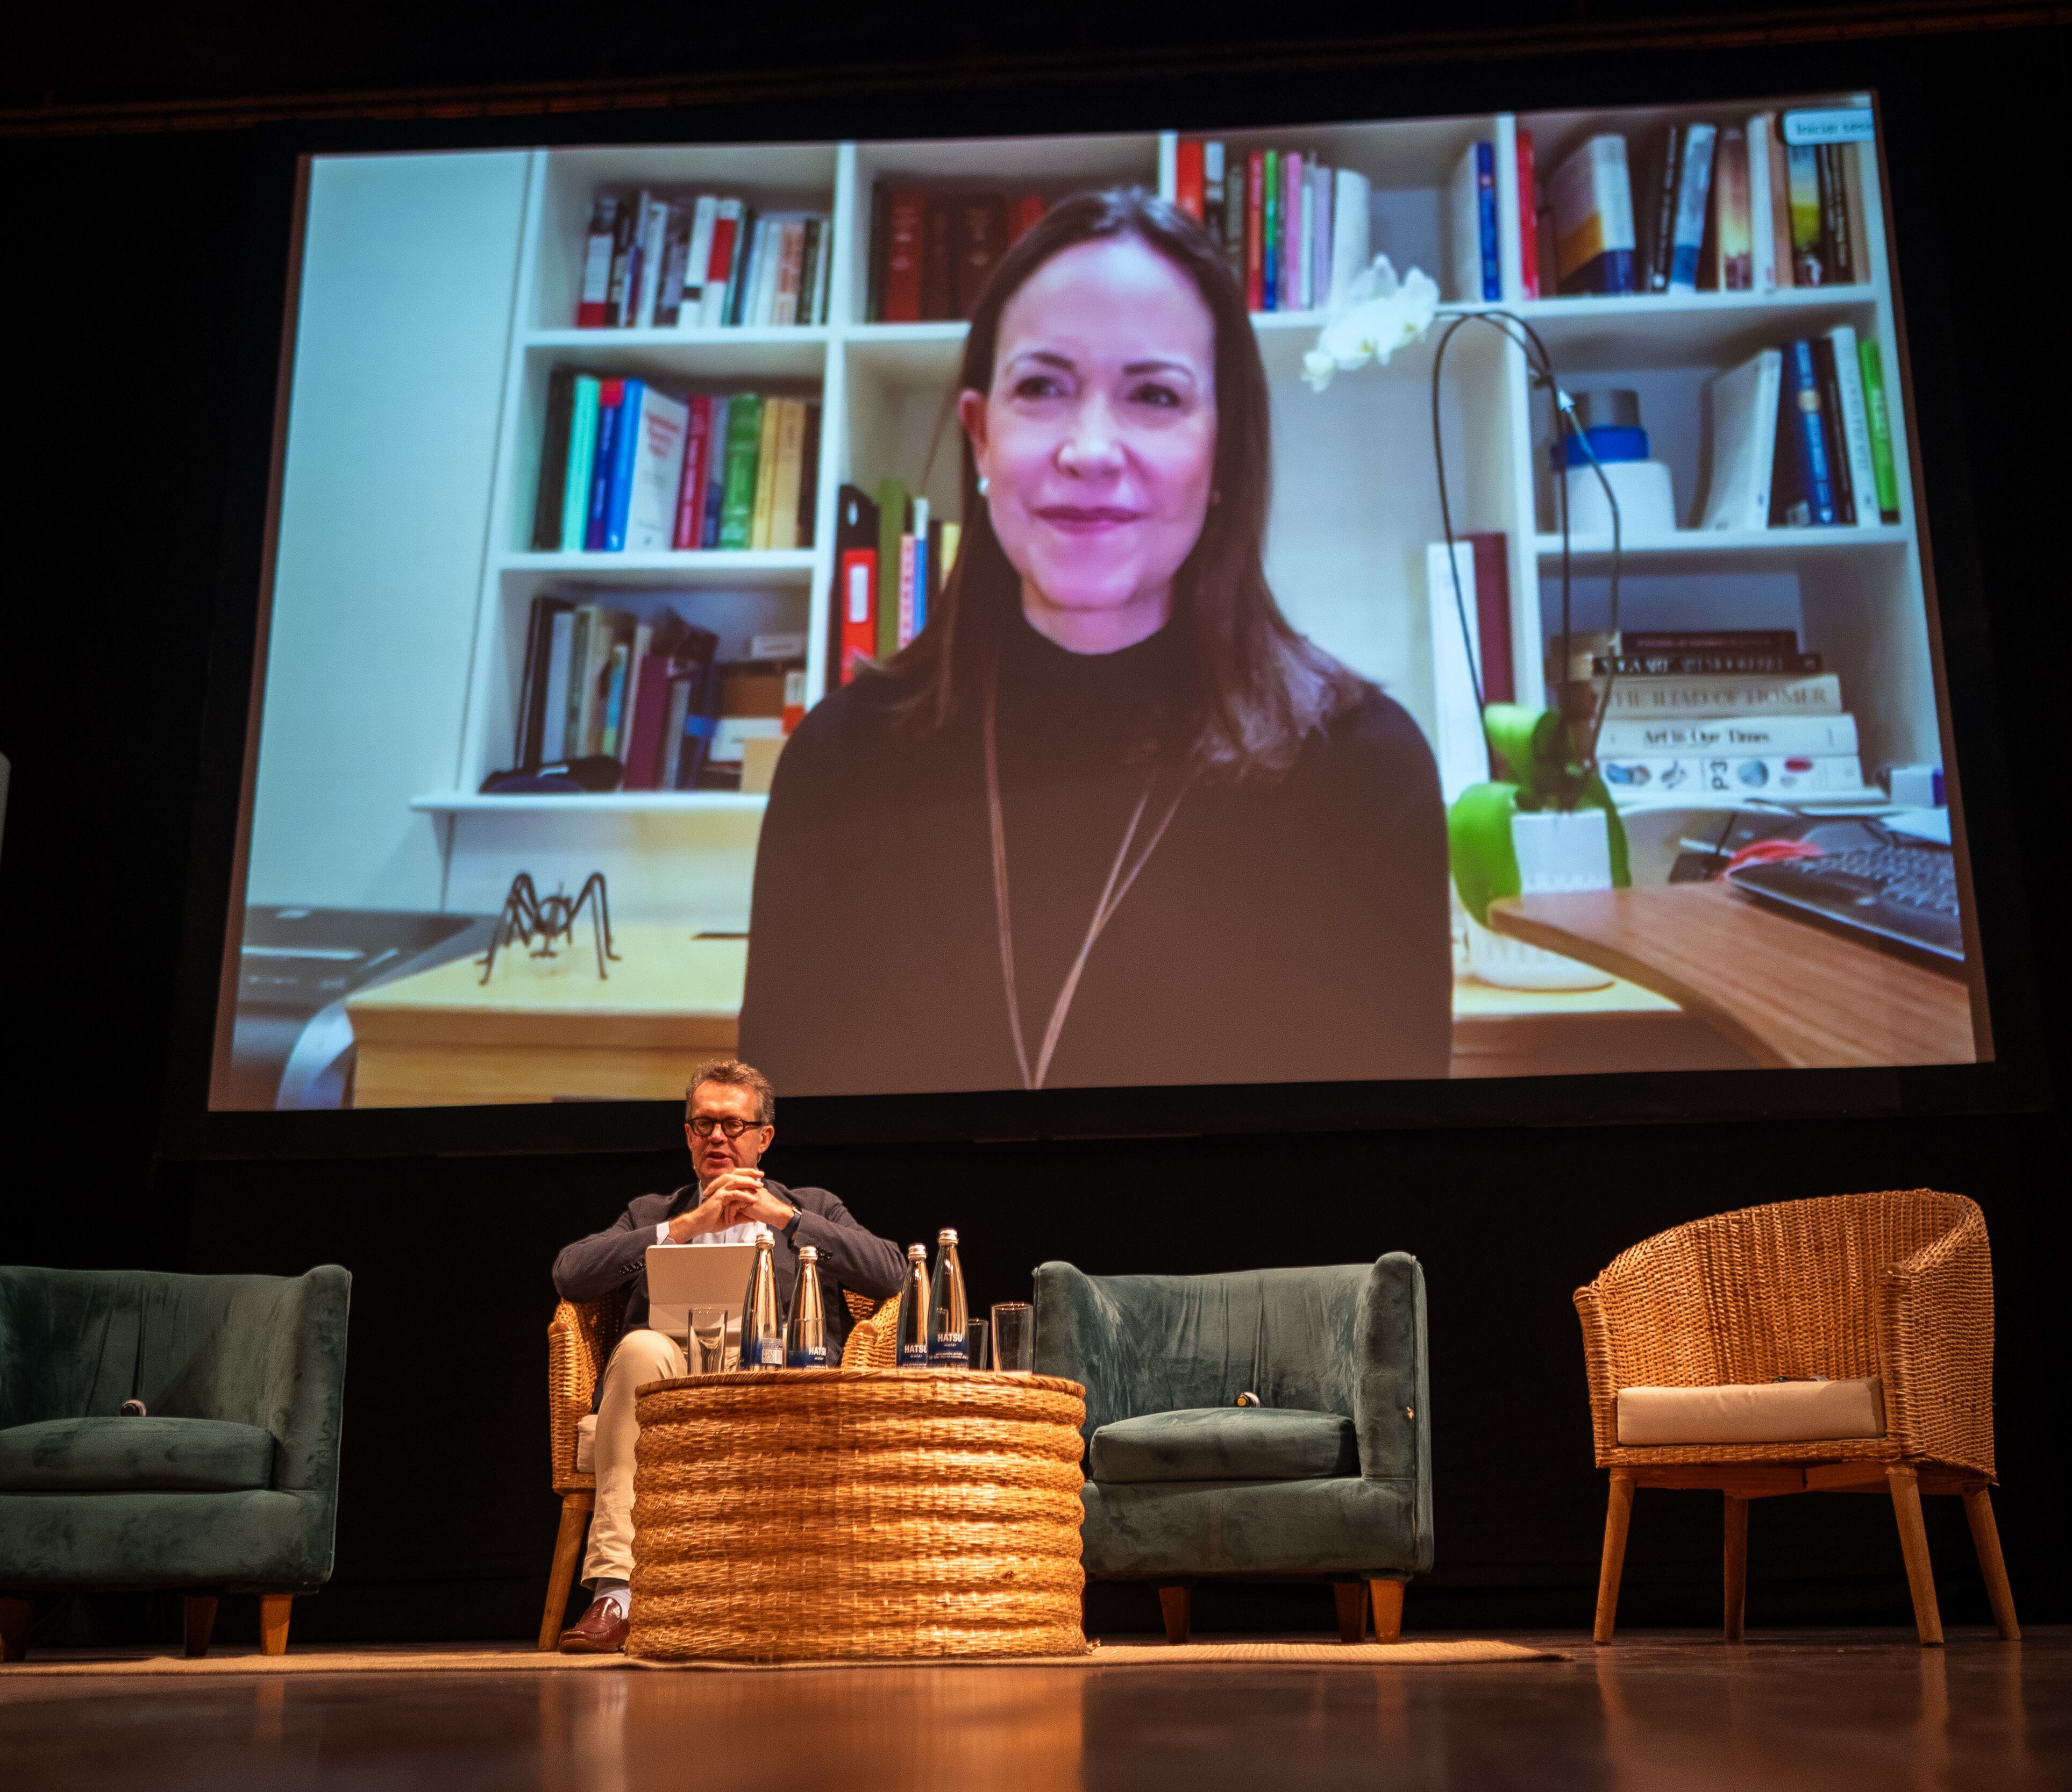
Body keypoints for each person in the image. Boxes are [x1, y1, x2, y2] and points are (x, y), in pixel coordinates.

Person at [743, 188, 1451, 1095]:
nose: (1089, 448)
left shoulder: (1362, 772)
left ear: (1225, 450)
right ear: (981, 435)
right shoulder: (836, 768)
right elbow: (790, 1185)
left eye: (1154, 395)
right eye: (1041, 387)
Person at [546, 1058, 904, 1653]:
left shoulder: (811, 1204)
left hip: (769, 1371)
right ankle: (615, 1593)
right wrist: (684, 1228)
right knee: (636, 1348)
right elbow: (570, 1274)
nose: (718, 1137)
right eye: (704, 1124)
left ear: (763, 1138)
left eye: (734, 1126)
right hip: (671, 1376)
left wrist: (784, 1219)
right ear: (688, 1136)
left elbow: (890, 1272)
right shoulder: (653, 1213)